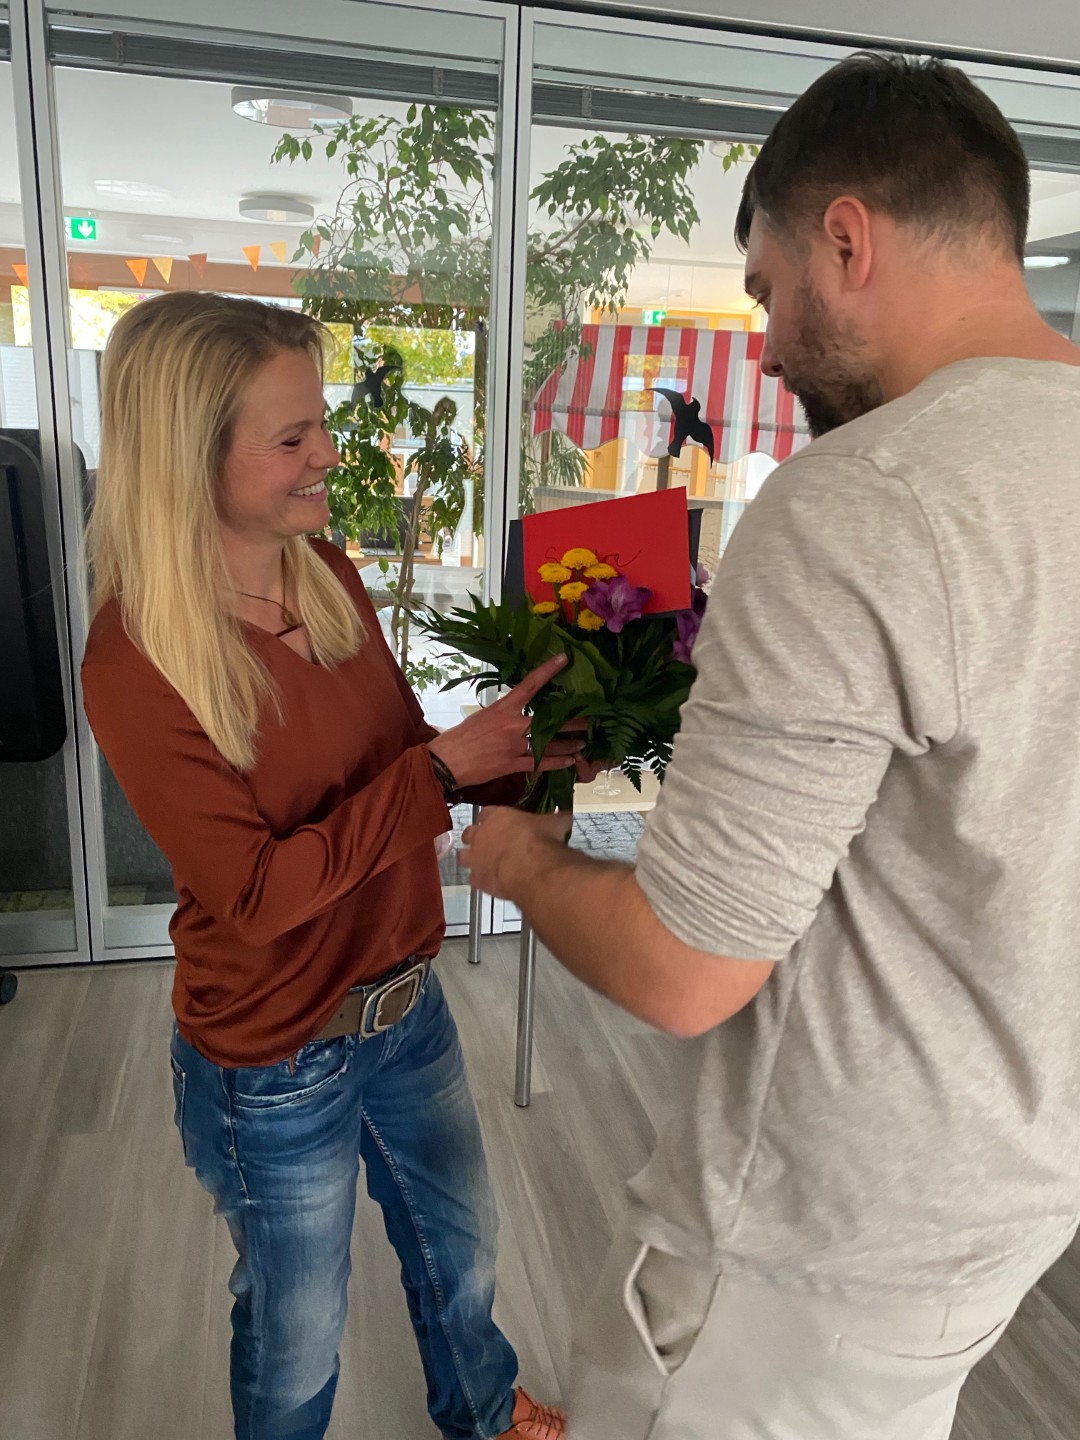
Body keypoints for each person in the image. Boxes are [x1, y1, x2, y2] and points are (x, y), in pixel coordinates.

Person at [460, 53, 1080, 1440]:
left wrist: (518, 865)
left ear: (845, 239)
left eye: (767, 292)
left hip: (811, 1242)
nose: (768, 347)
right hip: (1014, 1195)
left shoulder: (866, 498)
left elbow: (684, 972)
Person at [80, 290, 582, 1440]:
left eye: (322, 424)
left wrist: (539, 743)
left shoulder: (324, 573)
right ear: (187, 453)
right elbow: (254, 894)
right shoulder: (137, 654)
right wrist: (443, 778)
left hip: (405, 1007)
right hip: (273, 1057)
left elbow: (406, 762)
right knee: (296, 1336)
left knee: (461, 1253)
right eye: (293, 436)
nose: (330, 455)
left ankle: (485, 1410)